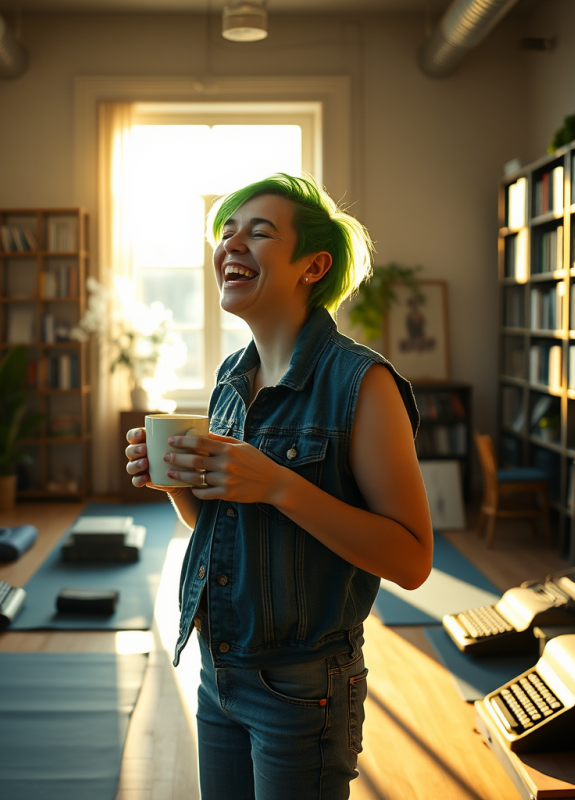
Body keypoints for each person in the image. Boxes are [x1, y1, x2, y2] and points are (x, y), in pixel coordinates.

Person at [125, 173, 432, 800]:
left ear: (312, 266)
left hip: (304, 689)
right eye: (226, 233)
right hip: (219, 672)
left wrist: (278, 485)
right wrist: (179, 487)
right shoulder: (232, 377)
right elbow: (224, 530)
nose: (232, 245)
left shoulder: (361, 384)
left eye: (259, 233)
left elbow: (412, 559)